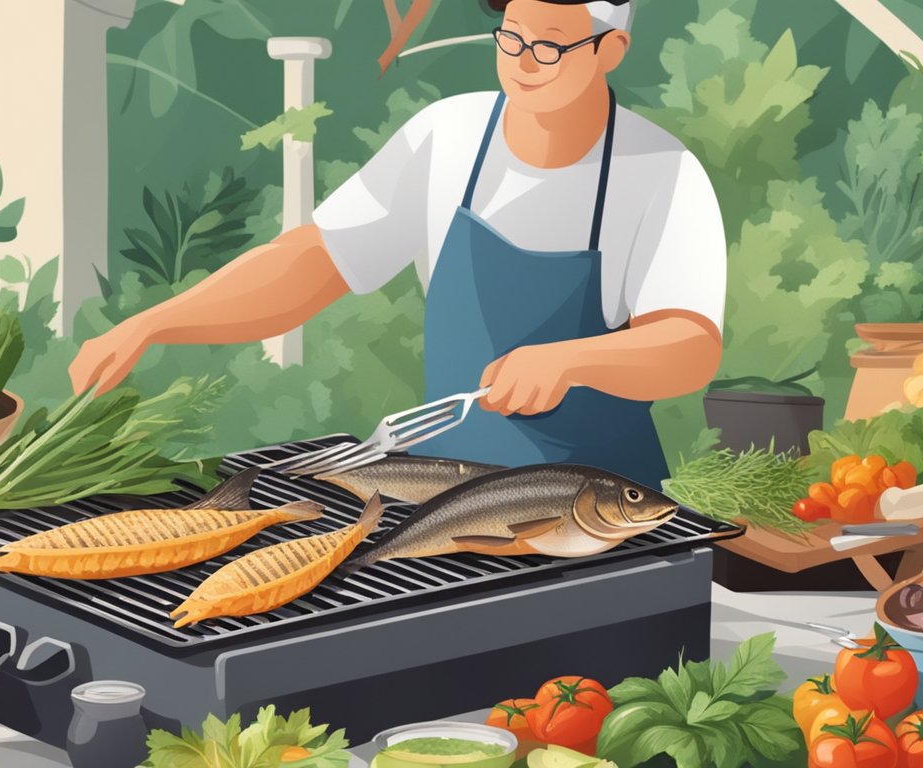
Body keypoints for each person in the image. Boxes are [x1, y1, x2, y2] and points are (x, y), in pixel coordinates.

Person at [70, 0, 726, 489]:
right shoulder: (447, 136)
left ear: (610, 50)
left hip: (593, 509)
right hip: (443, 497)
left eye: (549, 47)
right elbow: (315, 262)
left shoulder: (662, 171)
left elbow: (690, 344)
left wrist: (571, 361)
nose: (522, 62)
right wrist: (155, 323)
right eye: (510, 36)